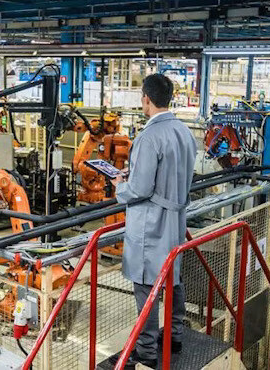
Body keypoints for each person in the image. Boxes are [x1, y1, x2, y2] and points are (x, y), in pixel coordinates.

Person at [108, 74, 197, 369]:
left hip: (151, 224)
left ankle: (145, 351)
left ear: (146, 98)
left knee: (147, 286)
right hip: (175, 219)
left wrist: (120, 184)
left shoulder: (148, 137)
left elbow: (140, 189)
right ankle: (174, 335)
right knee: (173, 278)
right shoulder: (184, 131)